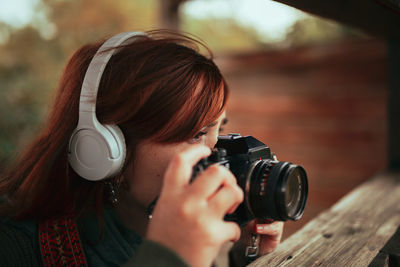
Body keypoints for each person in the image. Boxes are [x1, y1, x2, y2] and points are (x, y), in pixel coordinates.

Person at [0, 30, 283, 267]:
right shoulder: (17, 248)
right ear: (107, 151)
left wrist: (247, 255)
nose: (218, 155)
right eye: (196, 134)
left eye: (218, 130)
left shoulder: (193, 234)